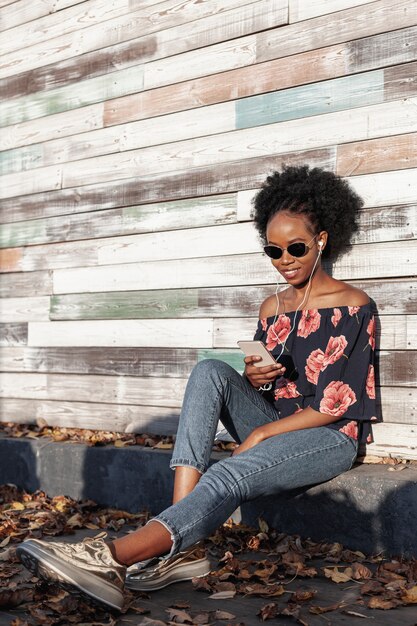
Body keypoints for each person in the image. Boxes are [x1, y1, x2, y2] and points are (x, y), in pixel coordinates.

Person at [17, 165, 378, 611]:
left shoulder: (355, 304)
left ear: (322, 240)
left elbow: (340, 403)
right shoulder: (272, 307)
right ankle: (180, 550)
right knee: (209, 371)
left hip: (328, 435)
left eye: (296, 247)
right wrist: (255, 380)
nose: (285, 259)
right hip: (278, 423)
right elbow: (265, 393)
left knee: (226, 471)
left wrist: (260, 433)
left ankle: (110, 558)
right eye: (273, 250)